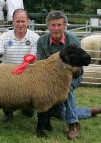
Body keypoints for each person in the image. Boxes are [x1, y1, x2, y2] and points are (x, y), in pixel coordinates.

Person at [37, 10, 101, 140]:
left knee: (67, 89)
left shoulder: (72, 40)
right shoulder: (42, 41)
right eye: (53, 25)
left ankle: (73, 124)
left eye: (59, 25)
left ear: (64, 25)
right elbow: (41, 65)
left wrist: (62, 80)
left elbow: (78, 69)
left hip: (73, 76)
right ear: (48, 26)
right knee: (59, 113)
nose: (56, 28)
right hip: (50, 79)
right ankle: (89, 111)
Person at [0, 9, 39, 121]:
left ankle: (27, 107)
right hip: (7, 76)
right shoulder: (5, 37)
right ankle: (7, 111)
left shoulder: (35, 38)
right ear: (13, 22)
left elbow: (34, 59)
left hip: (27, 76)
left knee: (28, 113)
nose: (20, 24)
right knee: (5, 95)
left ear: (28, 22)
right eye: (17, 21)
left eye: (23, 21)